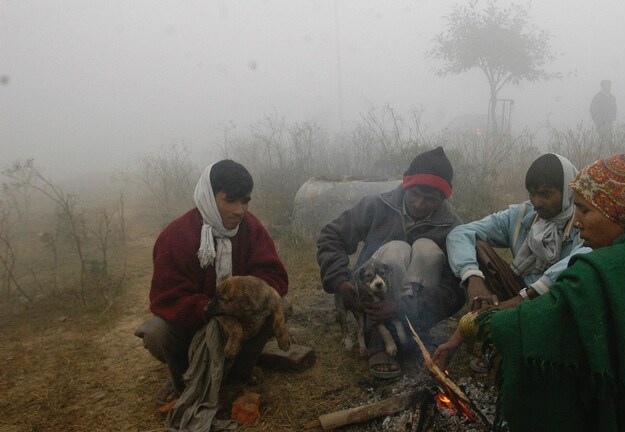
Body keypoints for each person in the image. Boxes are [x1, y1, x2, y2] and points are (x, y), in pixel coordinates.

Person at [434, 154, 625, 431]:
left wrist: (473, 325)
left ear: (621, 211)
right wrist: (473, 279)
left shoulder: (616, 264)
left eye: (586, 210)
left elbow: (548, 314)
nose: (578, 222)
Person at [134, 159, 289, 405]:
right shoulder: (176, 237)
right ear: (209, 195)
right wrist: (214, 312)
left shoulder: (251, 228)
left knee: (280, 306)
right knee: (156, 332)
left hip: (241, 320)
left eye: (246, 200)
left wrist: (246, 300)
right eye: (231, 200)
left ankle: (239, 371)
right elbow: (167, 299)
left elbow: (273, 276)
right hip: (194, 323)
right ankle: (185, 378)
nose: (240, 210)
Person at [316, 146, 464, 379]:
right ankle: (376, 338)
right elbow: (331, 236)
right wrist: (341, 281)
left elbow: (454, 289)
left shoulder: (452, 227)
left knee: (427, 251)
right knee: (397, 249)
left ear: (443, 198)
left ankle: (414, 331)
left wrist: (403, 308)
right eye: (414, 194)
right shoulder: (377, 205)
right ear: (405, 185)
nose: (418, 204)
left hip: (414, 307)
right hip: (371, 295)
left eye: (430, 199)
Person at [446, 153, 587, 371]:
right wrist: (472, 278)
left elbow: (579, 259)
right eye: (532, 194)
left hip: (559, 303)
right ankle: (491, 337)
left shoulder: (583, 220)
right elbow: (460, 233)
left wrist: (519, 300)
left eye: (545, 194)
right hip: (517, 294)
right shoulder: (523, 215)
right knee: (478, 247)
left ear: (567, 192)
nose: (537, 202)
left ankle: (509, 338)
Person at [590, 79, 617, 144]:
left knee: (609, 141)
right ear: (603, 86)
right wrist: (598, 122)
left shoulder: (612, 97)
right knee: (602, 142)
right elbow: (592, 110)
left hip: (609, 123)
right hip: (601, 124)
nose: (609, 87)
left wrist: (613, 118)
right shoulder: (597, 97)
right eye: (607, 85)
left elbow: (615, 109)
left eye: (609, 85)